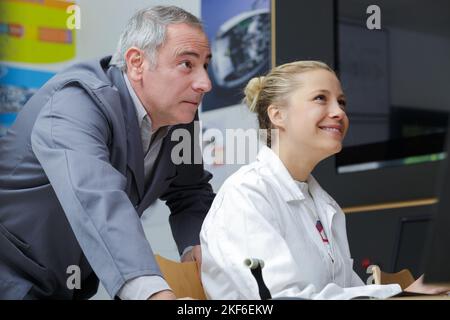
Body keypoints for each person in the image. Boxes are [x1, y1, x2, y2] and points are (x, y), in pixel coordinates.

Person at [0, 6, 215, 300]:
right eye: (187, 64)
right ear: (137, 63)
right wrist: (153, 294)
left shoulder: (181, 120)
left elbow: (190, 191)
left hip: (71, 284)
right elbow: (95, 195)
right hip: (9, 274)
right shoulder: (76, 101)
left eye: (206, 65)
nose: (205, 83)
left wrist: (196, 246)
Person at [200, 61, 450, 299]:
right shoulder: (247, 194)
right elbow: (285, 299)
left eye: (341, 102)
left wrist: (407, 293)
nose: (338, 112)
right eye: (321, 98)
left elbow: (348, 292)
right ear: (277, 115)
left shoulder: (324, 205)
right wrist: (399, 294)